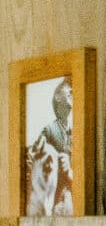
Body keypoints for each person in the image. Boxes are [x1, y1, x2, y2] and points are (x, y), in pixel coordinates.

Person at [24, 77, 74, 217]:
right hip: (55, 202)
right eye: (69, 91)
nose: (72, 93)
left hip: (70, 199)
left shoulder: (74, 132)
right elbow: (32, 159)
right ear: (57, 97)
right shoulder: (50, 130)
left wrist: (70, 171)